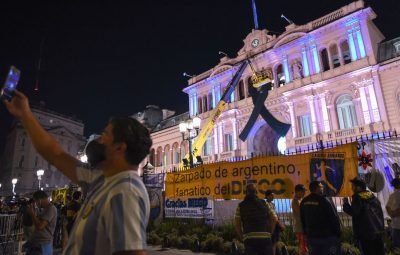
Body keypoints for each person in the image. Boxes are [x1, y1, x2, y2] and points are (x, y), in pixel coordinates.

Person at [3, 90, 152, 255]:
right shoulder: (100, 179)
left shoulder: (125, 191)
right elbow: (56, 154)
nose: (98, 140)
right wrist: (25, 115)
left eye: (105, 135)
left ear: (120, 147)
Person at [343, 177, 384, 255]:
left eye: (353, 186)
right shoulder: (372, 196)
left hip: (365, 233)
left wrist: (346, 204)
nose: (352, 188)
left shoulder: (357, 197)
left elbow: (355, 212)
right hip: (378, 231)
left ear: (358, 187)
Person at [300, 181, 341, 255]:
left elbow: (302, 219)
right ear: (317, 188)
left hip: (312, 236)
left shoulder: (304, 201)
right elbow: (333, 217)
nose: (323, 188)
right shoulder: (324, 200)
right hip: (326, 236)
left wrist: (305, 233)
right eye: (321, 187)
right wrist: (338, 232)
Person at [235, 183, 277, 255]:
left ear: (246, 192)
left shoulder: (241, 205)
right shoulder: (265, 203)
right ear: (256, 192)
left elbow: (237, 224)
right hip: (265, 238)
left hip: (250, 239)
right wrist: (271, 232)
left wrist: (242, 237)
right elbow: (274, 218)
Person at [25, 190, 58, 255]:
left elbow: (40, 226)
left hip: (43, 245)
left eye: (36, 201)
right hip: (37, 244)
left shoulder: (51, 208)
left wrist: (32, 214)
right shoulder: (43, 209)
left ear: (39, 200)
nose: (35, 204)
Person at [265, 190, 284, 255]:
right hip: (271, 226)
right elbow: (271, 216)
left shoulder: (272, 204)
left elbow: (275, 214)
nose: (273, 197)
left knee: (275, 242)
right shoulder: (265, 204)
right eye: (271, 195)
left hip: (275, 225)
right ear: (267, 196)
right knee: (272, 243)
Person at [291, 184, 308, 255]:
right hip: (299, 227)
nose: (304, 193)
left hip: (302, 227)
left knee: (305, 247)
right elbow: (301, 213)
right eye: (303, 191)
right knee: (303, 248)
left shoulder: (300, 200)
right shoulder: (295, 201)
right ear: (297, 191)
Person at [387, 178, 400, 251]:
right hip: (395, 224)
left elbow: (387, 207)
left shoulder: (392, 195)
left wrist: (392, 214)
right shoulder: (393, 195)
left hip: (395, 224)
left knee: (396, 248)